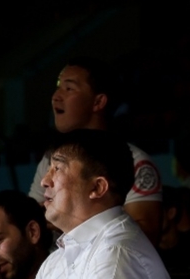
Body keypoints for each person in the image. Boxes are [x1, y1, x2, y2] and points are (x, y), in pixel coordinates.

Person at [9, 129, 189, 279]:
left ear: (97, 187)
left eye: (58, 168)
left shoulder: (117, 253)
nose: (45, 181)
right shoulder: (57, 259)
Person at [28, 57, 163, 245]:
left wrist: (70, 220)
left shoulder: (135, 163)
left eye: (69, 88)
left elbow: (144, 237)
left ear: (98, 102)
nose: (56, 96)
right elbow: (31, 216)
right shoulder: (49, 159)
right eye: (58, 87)